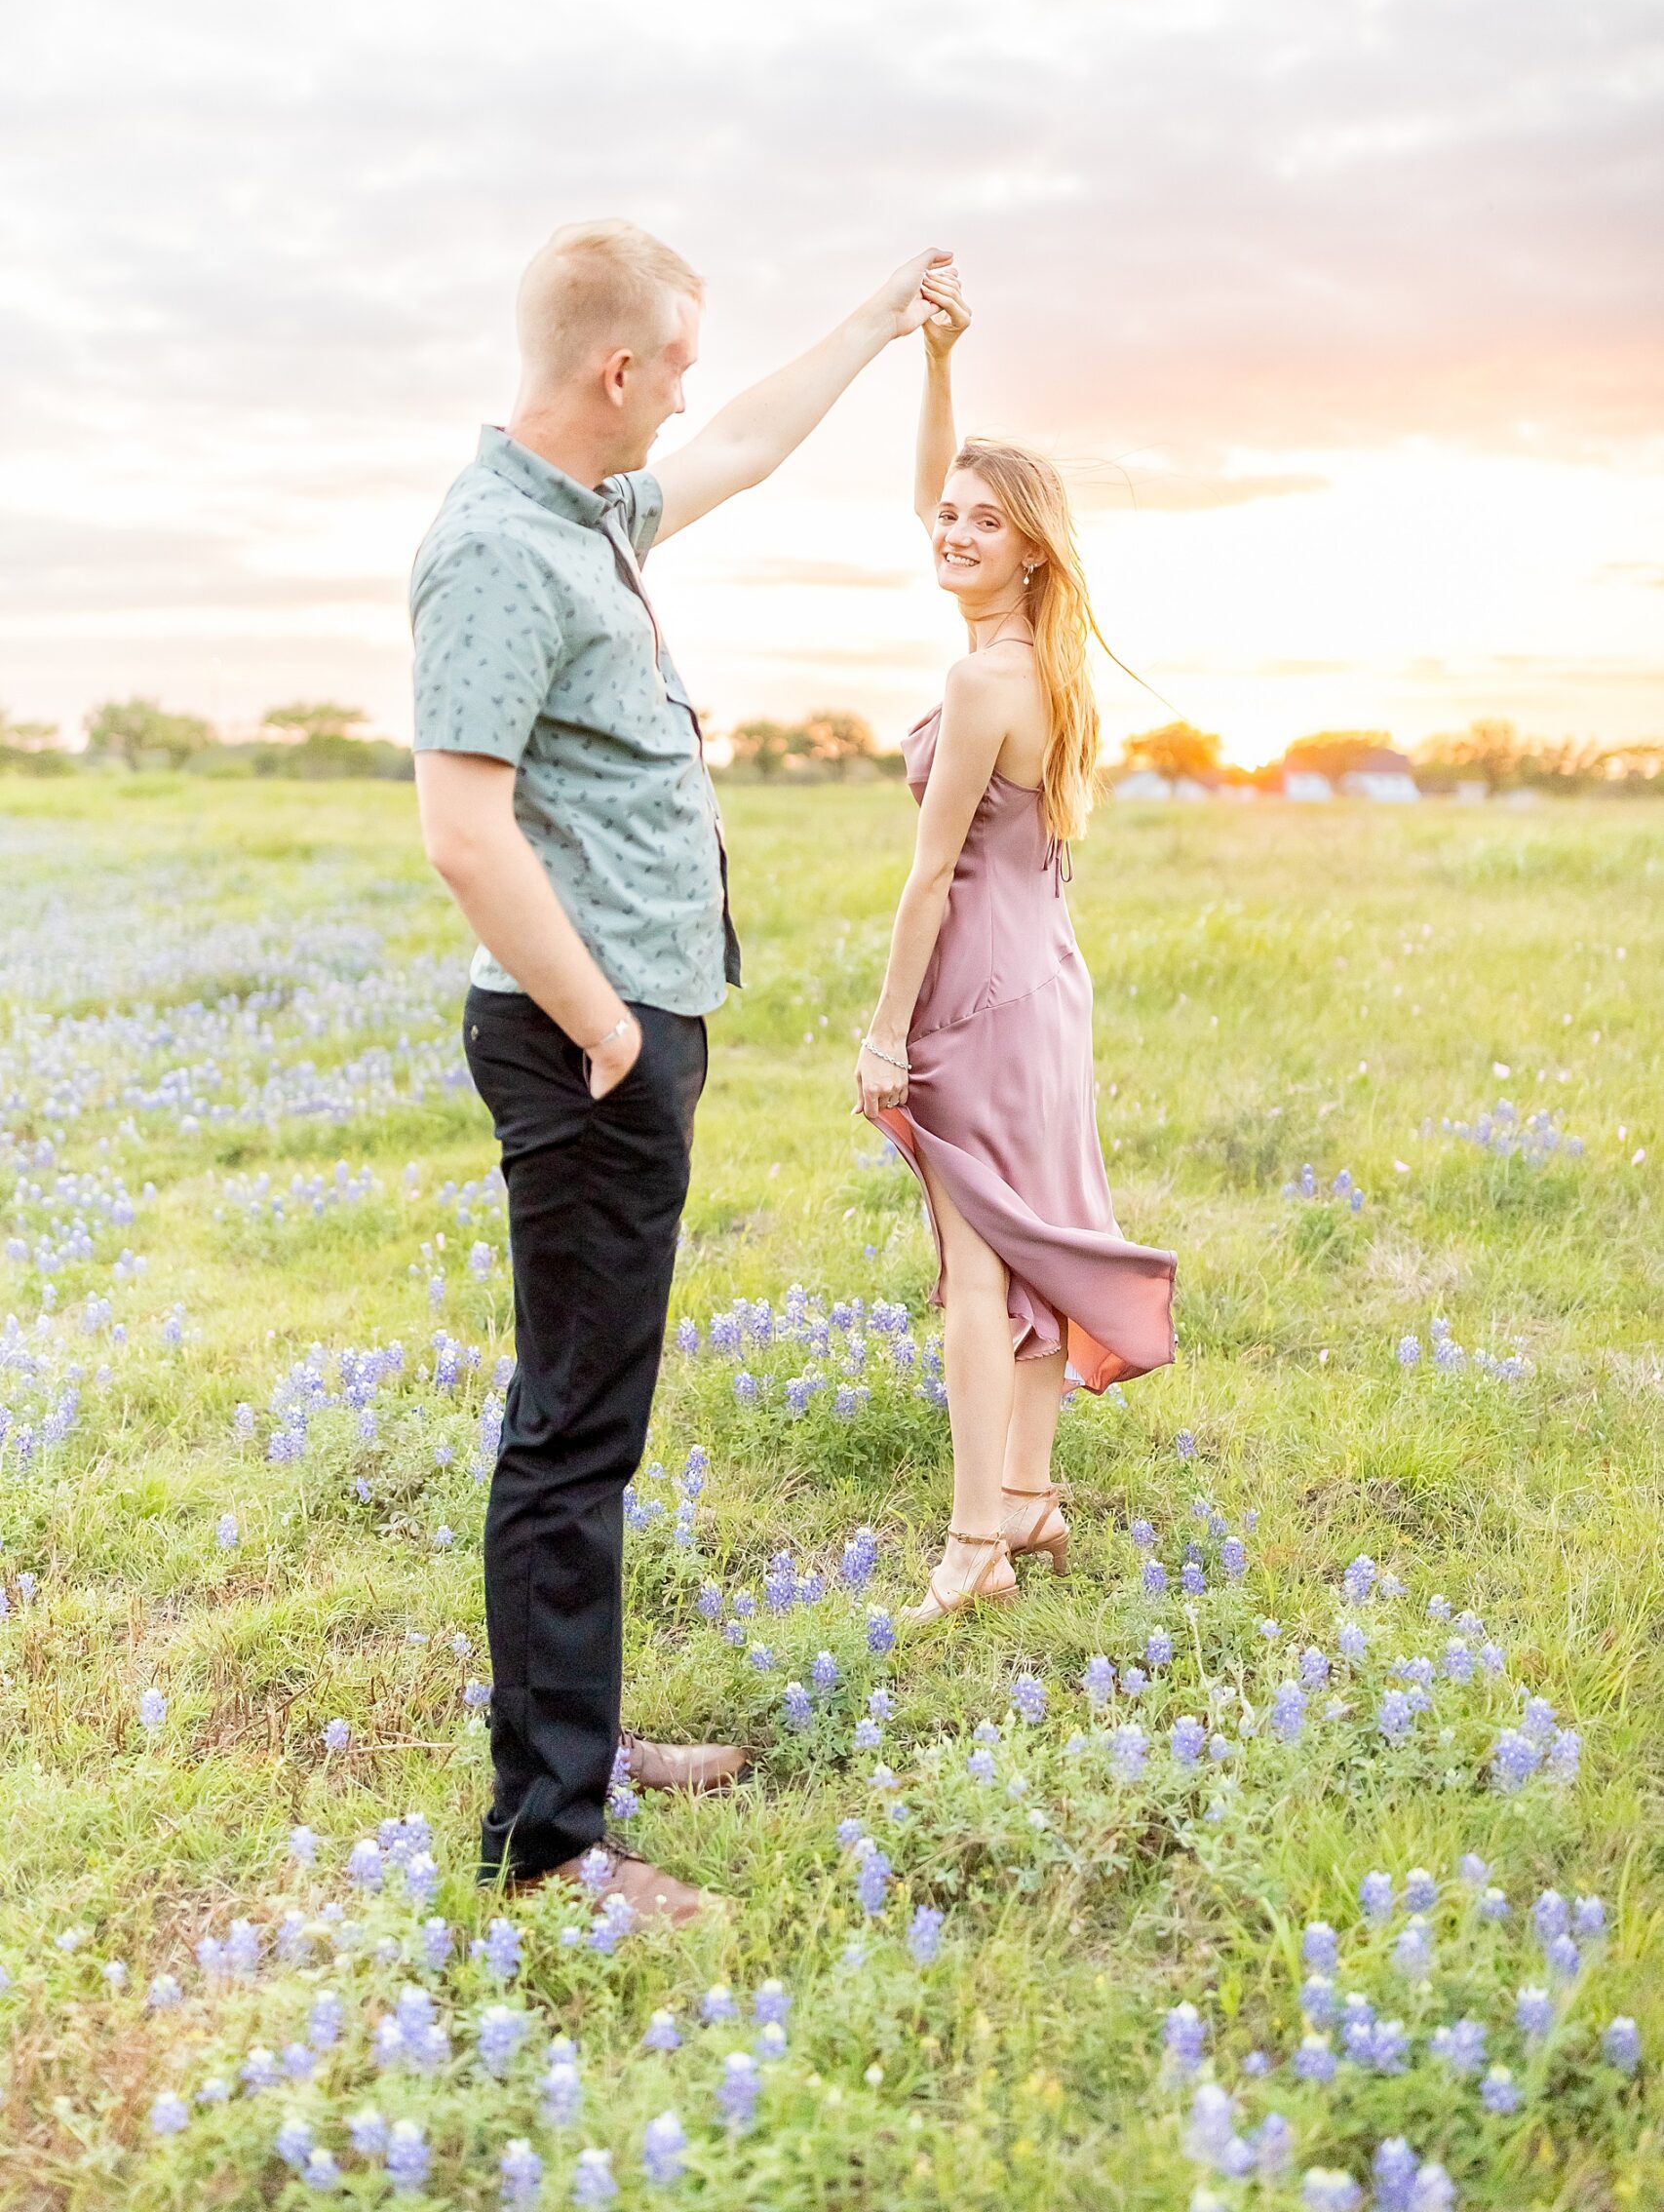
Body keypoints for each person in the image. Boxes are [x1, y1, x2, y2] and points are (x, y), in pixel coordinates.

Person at [412, 218, 952, 1915]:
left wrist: (877, 319)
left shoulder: (588, 517)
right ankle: (550, 1842)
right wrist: (604, 1025)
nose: (689, 402)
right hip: (587, 1043)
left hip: (627, 1028)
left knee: (600, 1413)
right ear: (613, 368)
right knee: (571, 1432)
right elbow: (462, 829)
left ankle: (576, 1727)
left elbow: (742, 448)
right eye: (679, 368)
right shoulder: (498, 547)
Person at [855, 264, 1178, 1627]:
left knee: (977, 1266)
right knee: (1035, 1245)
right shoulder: (1044, 664)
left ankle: (975, 1537)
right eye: (951, 518)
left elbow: (931, 875)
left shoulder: (980, 678)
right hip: (1046, 986)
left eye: (988, 524)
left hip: (976, 993)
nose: (954, 533)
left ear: (1032, 546)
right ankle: (1030, 1499)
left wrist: (884, 1032)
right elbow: (934, 493)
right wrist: (936, 369)